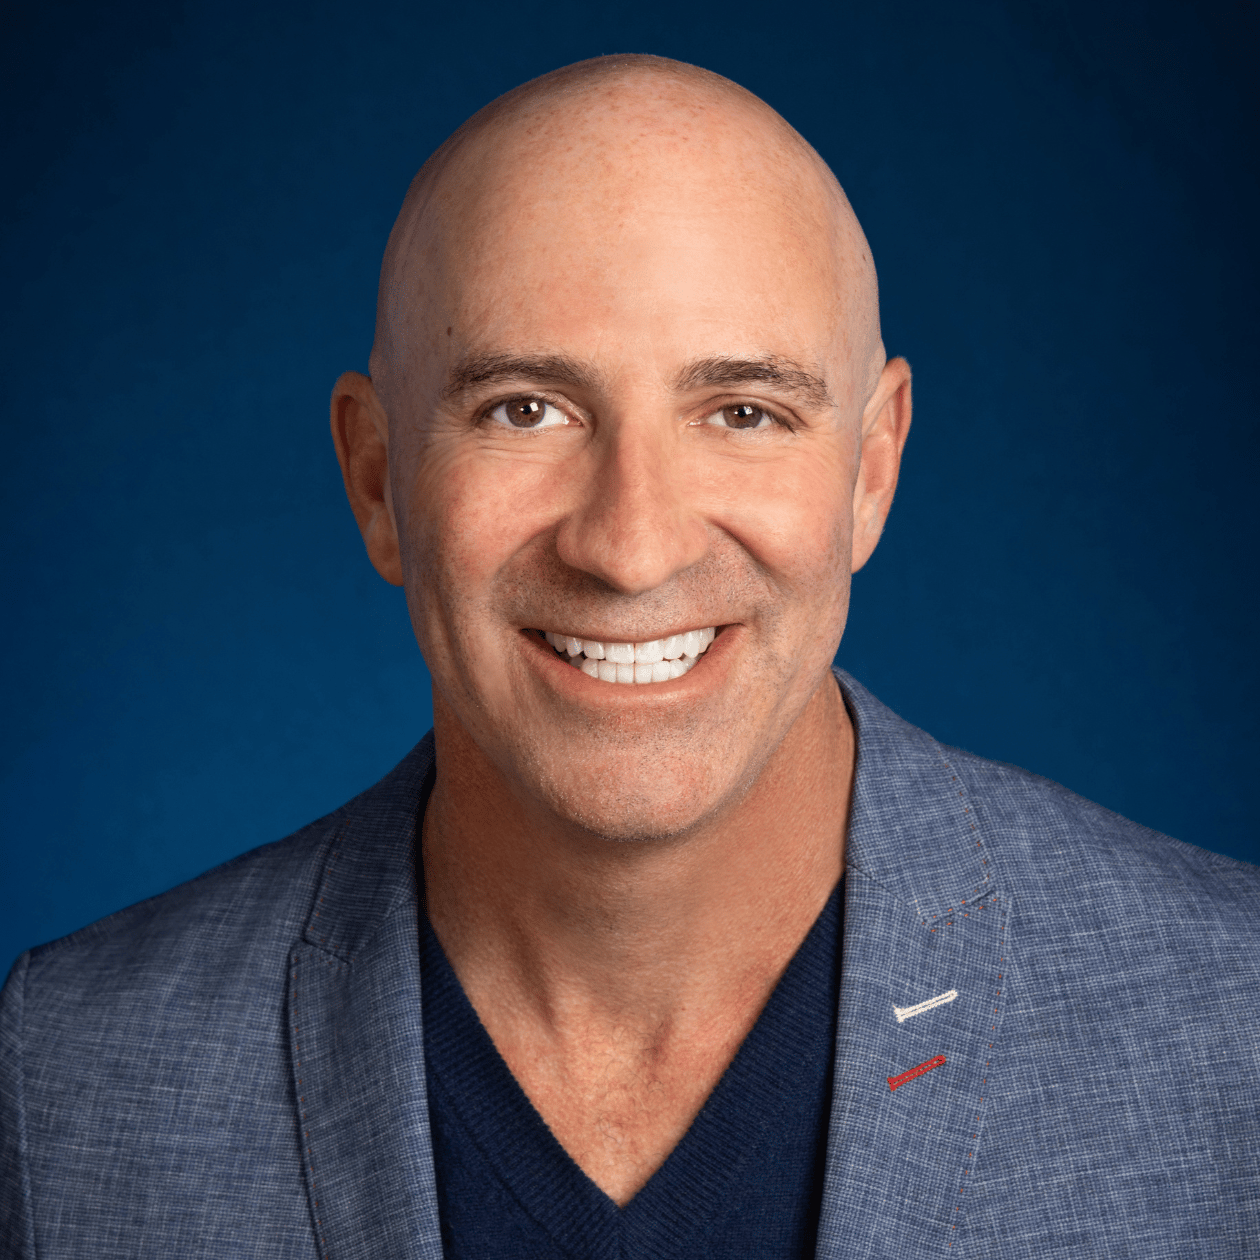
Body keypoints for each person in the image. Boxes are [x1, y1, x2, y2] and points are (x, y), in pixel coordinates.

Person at [2, 54, 1256, 1260]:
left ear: (871, 471)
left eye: (743, 412)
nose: (631, 547)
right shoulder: (69, 1076)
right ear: (378, 480)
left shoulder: (1227, 1022)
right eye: (526, 410)